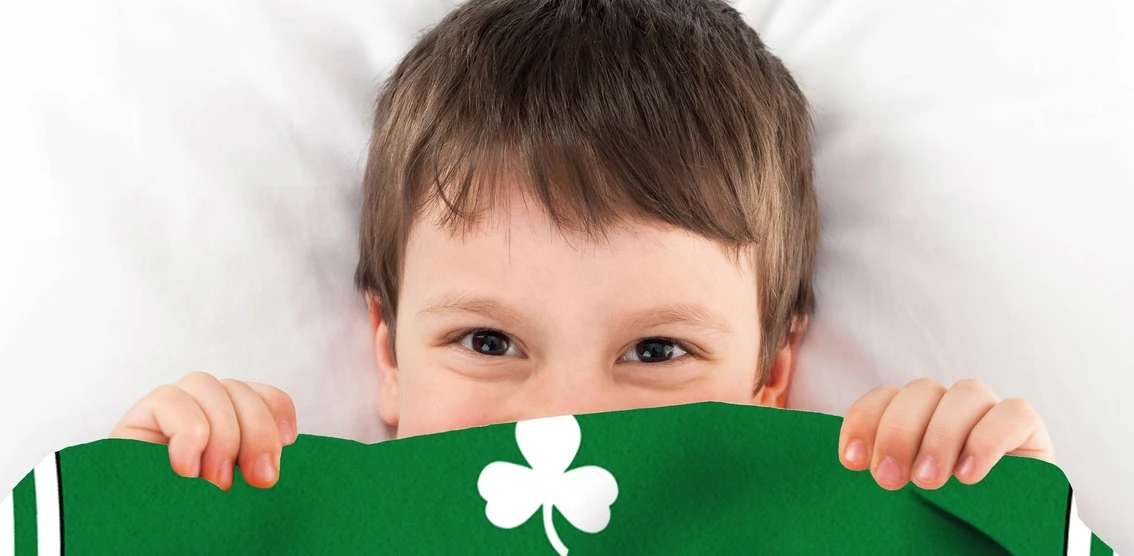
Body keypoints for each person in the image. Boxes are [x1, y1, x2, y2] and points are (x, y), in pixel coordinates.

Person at [110, 0, 1054, 490]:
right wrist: (138, 533)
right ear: (390, 356)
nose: (564, 423)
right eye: (488, 342)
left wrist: (999, 546)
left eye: (658, 351)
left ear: (771, 376)